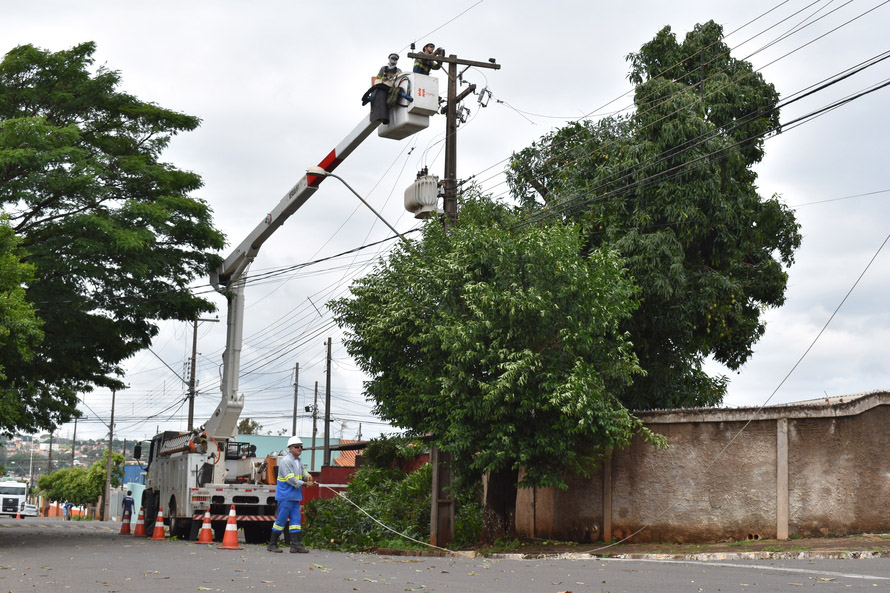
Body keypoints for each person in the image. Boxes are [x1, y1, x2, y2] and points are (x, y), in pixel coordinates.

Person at [267, 436, 315, 553]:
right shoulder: (286, 461)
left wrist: (307, 475)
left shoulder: (297, 461)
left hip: (294, 496)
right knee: (281, 520)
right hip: (286, 496)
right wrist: (305, 483)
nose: (300, 449)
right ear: (290, 448)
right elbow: (290, 479)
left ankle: (296, 545)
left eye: (301, 447)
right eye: (297, 447)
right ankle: (272, 544)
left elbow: (303, 471)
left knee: (296, 521)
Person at [362, 53, 402, 124]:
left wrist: (392, 78)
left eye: (396, 59)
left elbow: (399, 78)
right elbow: (378, 78)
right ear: (389, 59)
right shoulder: (383, 68)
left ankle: (384, 118)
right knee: (378, 90)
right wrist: (384, 79)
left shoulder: (398, 70)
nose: (394, 60)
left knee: (381, 92)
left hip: (391, 88)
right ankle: (367, 99)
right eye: (393, 58)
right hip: (382, 85)